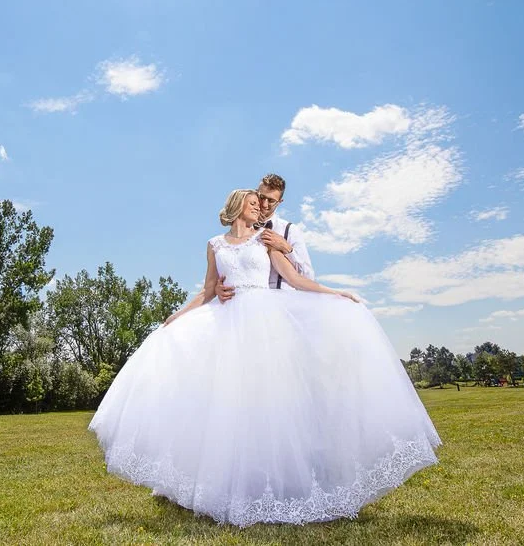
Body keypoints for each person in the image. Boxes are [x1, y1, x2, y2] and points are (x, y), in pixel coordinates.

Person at [89, 189, 441, 527]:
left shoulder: (266, 239)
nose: (259, 208)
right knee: (229, 402)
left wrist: (335, 293)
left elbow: (294, 278)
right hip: (228, 325)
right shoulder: (215, 244)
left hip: (266, 323)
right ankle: (230, 484)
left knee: (273, 401)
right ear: (238, 205)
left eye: (262, 204)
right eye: (254, 203)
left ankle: (282, 480)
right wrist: (177, 315)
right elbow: (209, 290)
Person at [217, 173, 312, 300]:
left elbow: (308, 277)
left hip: (281, 303)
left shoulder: (289, 230)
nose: (264, 205)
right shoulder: (239, 228)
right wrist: (217, 287)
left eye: (271, 201)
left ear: (280, 202)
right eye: (262, 197)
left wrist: (287, 249)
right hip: (241, 302)